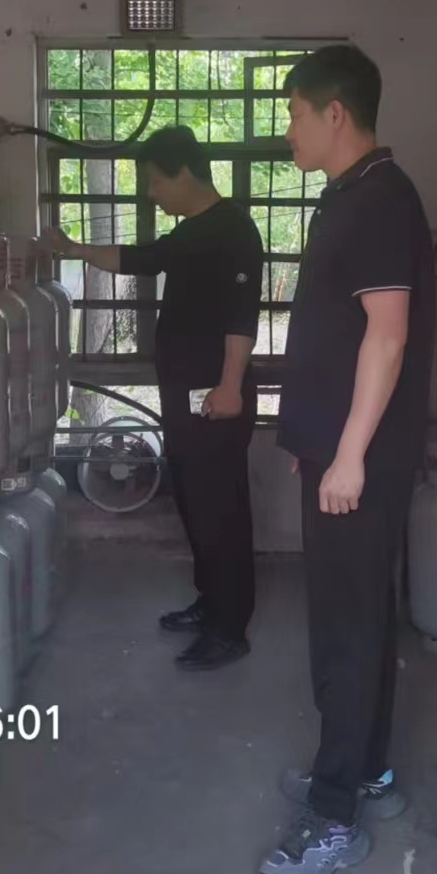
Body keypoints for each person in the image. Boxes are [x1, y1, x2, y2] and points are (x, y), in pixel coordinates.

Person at [264, 44, 433, 874]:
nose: (287, 130)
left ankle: (333, 815)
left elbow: (388, 336)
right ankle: (366, 769)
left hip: (357, 462)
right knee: (357, 614)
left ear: (336, 113)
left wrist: (352, 454)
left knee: (347, 626)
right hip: (339, 453)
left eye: (295, 113)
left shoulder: (379, 202)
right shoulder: (350, 196)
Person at [49, 126, 263, 671]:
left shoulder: (233, 230)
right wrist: (73, 250)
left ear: (183, 174)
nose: (150, 193)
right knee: (195, 501)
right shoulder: (192, 232)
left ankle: (229, 629)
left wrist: (230, 386)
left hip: (217, 398)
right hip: (188, 397)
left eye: (154, 181)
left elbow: (242, 318)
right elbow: (140, 258)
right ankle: (210, 601)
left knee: (221, 509)